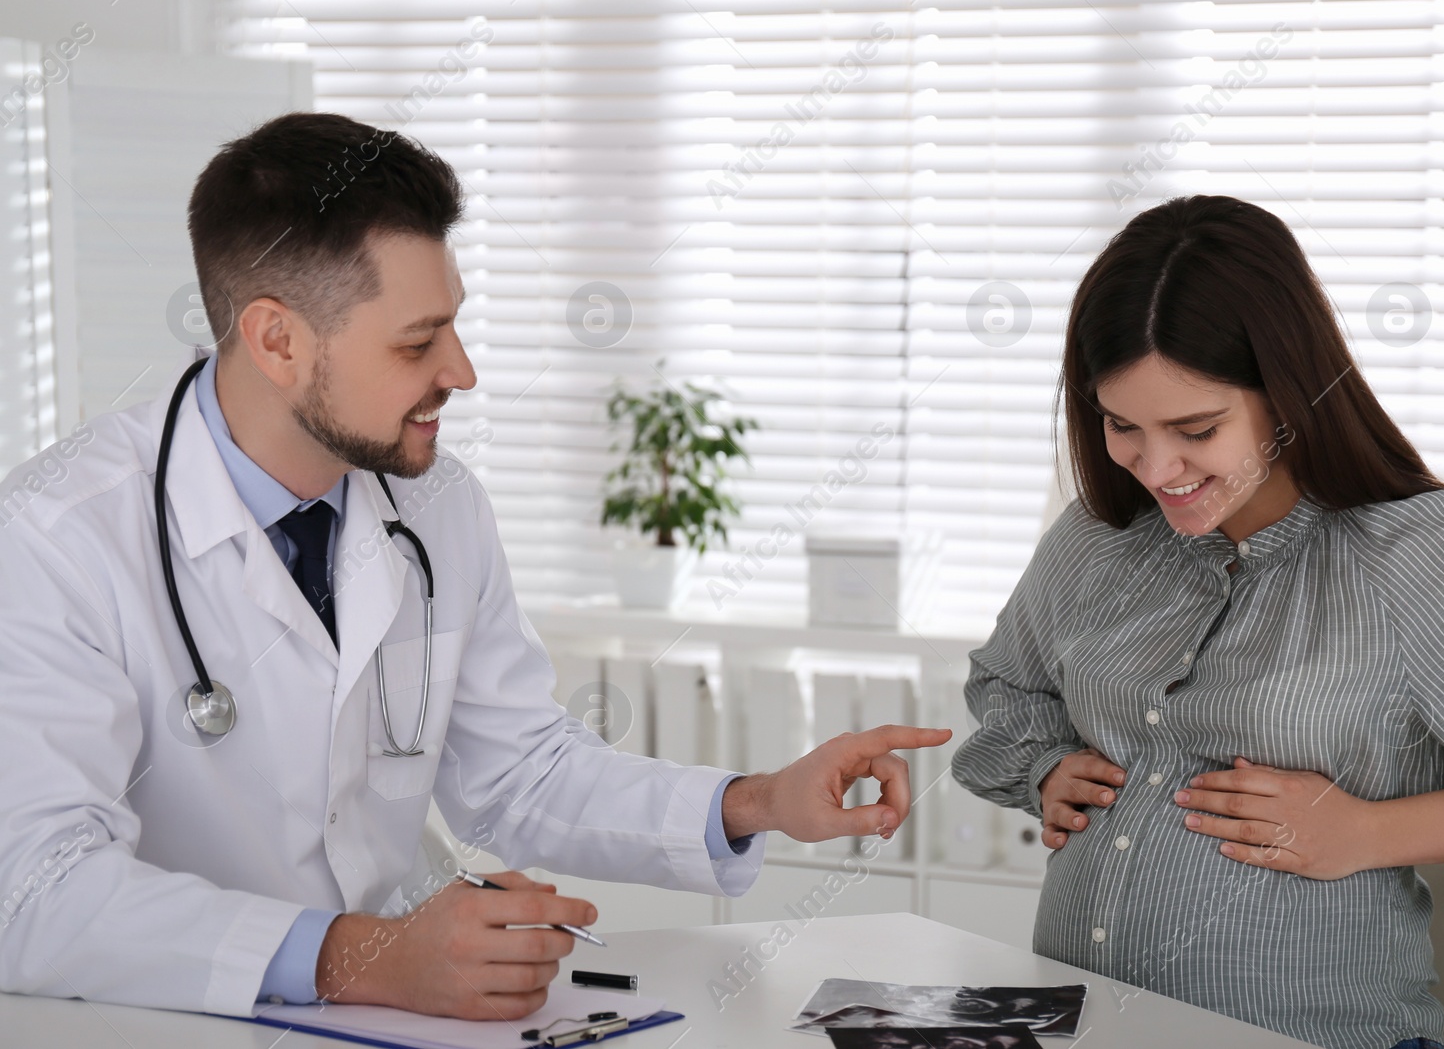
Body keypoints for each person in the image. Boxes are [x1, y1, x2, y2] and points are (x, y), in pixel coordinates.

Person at [0, 112, 950, 1020]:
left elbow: (520, 773)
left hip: (400, 1020)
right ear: (277, 340)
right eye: (417, 341)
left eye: (451, 324)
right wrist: (355, 956)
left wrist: (758, 801)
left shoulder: (437, 502)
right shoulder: (54, 539)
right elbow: (36, 889)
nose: (461, 370)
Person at [950, 194, 1444, 1049]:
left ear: (1289, 391)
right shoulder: (1099, 540)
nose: (1156, 466)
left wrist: (1370, 829)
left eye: (1196, 428)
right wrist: (1042, 768)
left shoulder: (1415, 556)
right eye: (1121, 425)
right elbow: (1007, 692)